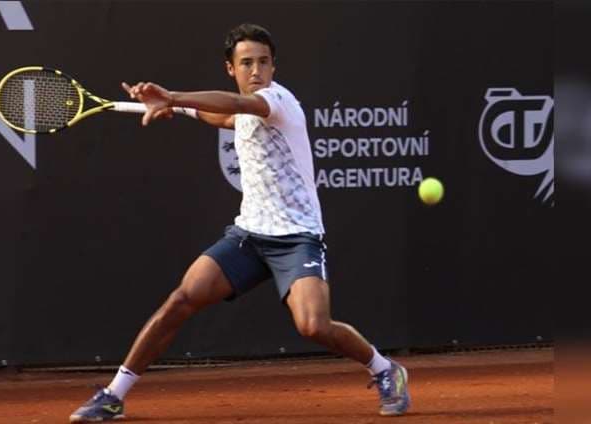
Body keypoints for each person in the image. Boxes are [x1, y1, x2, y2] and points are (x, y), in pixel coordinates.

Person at [69, 23, 410, 422]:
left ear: (273, 67)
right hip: (249, 235)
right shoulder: (244, 110)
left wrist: (173, 95)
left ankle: (387, 370)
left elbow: (235, 104)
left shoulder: (275, 101)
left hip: (297, 237)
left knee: (313, 326)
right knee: (181, 300)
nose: (256, 70)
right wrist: (174, 108)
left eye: (263, 62)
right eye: (246, 63)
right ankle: (114, 394)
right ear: (230, 67)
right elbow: (223, 116)